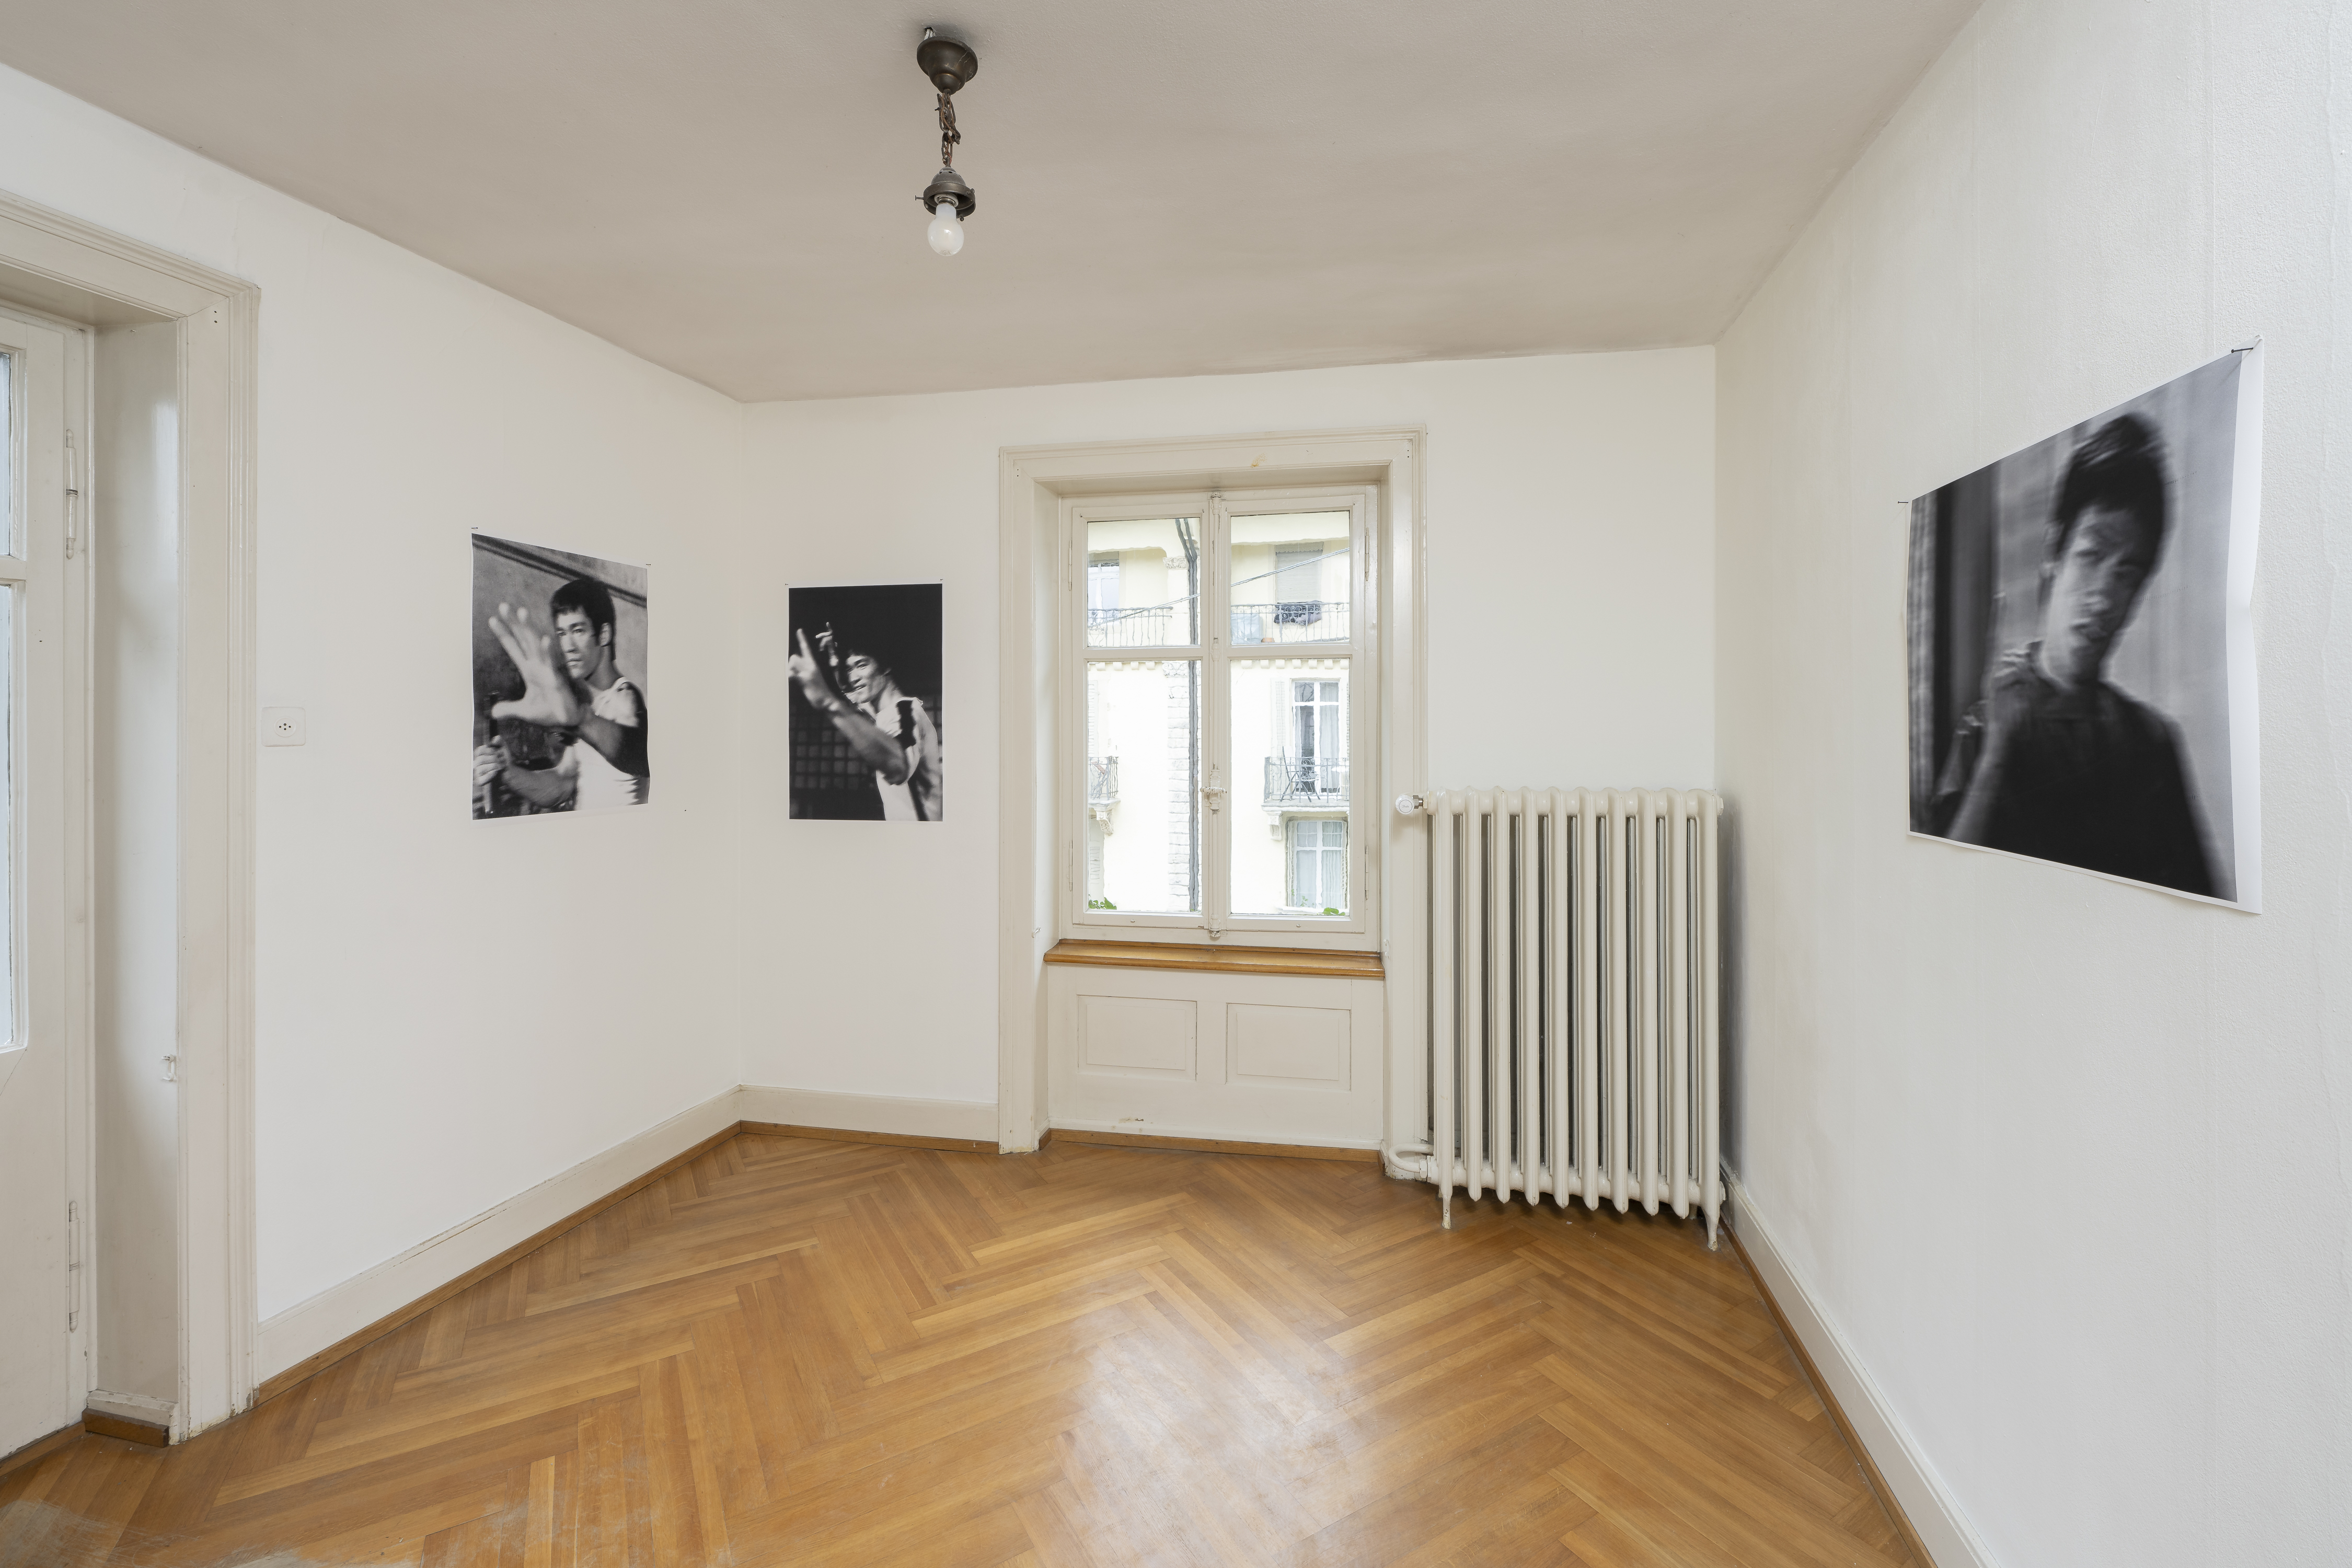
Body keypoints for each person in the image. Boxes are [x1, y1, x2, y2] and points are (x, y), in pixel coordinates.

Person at [1934, 414, 2214, 894]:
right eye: (2092, 556)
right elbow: (1941, 892)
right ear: (2055, 554)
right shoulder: (1983, 731)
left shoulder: (2152, 743)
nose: (2104, 597)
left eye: (2127, 574)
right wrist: (1997, 755)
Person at [473, 577, 649, 813]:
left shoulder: (625, 698)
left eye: (578, 630)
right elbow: (561, 784)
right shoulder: (595, 706)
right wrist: (506, 770)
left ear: (604, 634)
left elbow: (640, 756)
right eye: (562, 633)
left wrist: (579, 721)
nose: (568, 646)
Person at [787, 621, 942, 820]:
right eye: (849, 670)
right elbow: (849, 693)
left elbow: (898, 767)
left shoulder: (905, 711)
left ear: (885, 667)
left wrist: (827, 701)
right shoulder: (883, 713)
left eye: (861, 665)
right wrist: (834, 659)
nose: (853, 678)